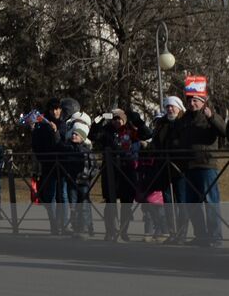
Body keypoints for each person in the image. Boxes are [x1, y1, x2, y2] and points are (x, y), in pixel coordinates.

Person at [177, 79, 226, 246]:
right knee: (192, 204)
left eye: (195, 100)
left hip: (206, 165)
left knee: (211, 203)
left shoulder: (210, 115)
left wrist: (212, 118)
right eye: (189, 100)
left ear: (203, 101)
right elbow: (176, 137)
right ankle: (201, 235)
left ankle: (215, 237)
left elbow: (223, 132)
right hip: (188, 166)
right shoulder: (183, 119)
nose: (191, 103)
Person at [91, 106, 151, 241]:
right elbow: (93, 136)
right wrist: (98, 120)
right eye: (114, 119)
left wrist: (138, 120)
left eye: (119, 119)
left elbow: (147, 134)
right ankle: (110, 231)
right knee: (110, 202)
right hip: (111, 171)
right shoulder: (107, 131)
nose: (116, 122)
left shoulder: (132, 131)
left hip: (128, 169)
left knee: (127, 203)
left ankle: (124, 230)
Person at [150, 96, 187, 242]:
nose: (170, 109)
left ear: (179, 107)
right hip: (164, 167)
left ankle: (182, 233)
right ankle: (172, 232)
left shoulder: (183, 122)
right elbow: (156, 141)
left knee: (182, 201)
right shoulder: (162, 123)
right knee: (168, 201)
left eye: (172, 106)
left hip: (180, 167)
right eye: (167, 107)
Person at [31, 99, 69, 235]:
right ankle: (54, 224)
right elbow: (36, 144)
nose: (55, 112)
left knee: (63, 195)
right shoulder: (42, 124)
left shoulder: (63, 124)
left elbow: (64, 143)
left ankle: (65, 225)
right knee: (50, 195)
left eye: (58, 109)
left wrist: (56, 131)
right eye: (53, 109)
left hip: (62, 164)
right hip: (48, 165)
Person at [58, 117, 95, 239]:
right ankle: (76, 227)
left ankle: (85, 227)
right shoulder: (67, 148)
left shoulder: (87, 151)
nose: (74, 136)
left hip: (84, 182)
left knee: (84, 204)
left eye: (77, 134)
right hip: (71, 180)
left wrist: (88, 176)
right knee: (73, 206)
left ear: (83, 137)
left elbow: (93, 166)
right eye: (73, 134)